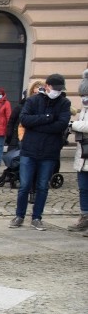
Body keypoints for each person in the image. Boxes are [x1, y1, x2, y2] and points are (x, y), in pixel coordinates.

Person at [10, 73, 72, 231]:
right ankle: (19, 216)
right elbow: (24, 120)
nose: (57, 91)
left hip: (49, 152)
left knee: (43, 186)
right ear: (48, 86)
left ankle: (37, 217)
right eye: (55, 88)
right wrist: (47, 117)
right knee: (24, 185)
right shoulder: (32, 100)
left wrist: (37, 125)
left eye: (60, 89)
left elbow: (61, 125)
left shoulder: (64, 103)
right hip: (29, 150)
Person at [69, 69, 88, 235]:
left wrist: (72, 125)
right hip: (82, 155)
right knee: (83, 188)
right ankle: (84, 216)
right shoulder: (83, 110)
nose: (84, 98)